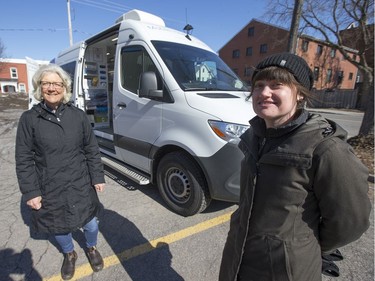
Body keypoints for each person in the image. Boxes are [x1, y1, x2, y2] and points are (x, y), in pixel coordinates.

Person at [219, 52, 371, 281]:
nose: (264, 93)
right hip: (238, 258)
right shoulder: (253, 137)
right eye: (258, 85)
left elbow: (349, 222)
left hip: (286, 269)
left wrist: (302, 245)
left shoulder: (326, 149)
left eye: (276, 85)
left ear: (299, 94)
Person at [15, 64, 106, 280]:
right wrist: (31, 192)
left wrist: (97, 176)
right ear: (40, 87)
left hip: (80, 182)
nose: (52, 88)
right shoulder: (29, 119)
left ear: (64, 87)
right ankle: (69, 253)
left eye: (57, 84)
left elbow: (91, 148)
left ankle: (91, 248)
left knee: (91, 223)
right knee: (59, 227)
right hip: (50, 186)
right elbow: (24, 159)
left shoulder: (78, 116)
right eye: (47, 83)